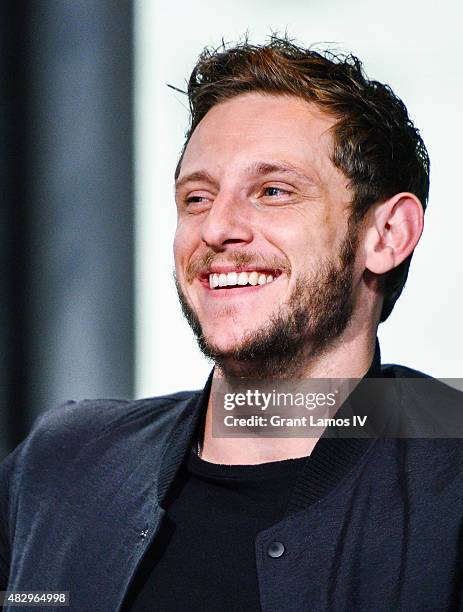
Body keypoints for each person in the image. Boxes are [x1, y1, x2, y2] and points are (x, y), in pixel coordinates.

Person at [0, 35, 462, 612]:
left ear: (387, 234)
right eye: (196, 198)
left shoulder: (449, 477)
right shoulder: (63, 463)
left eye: (272, 191)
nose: (216, 228)